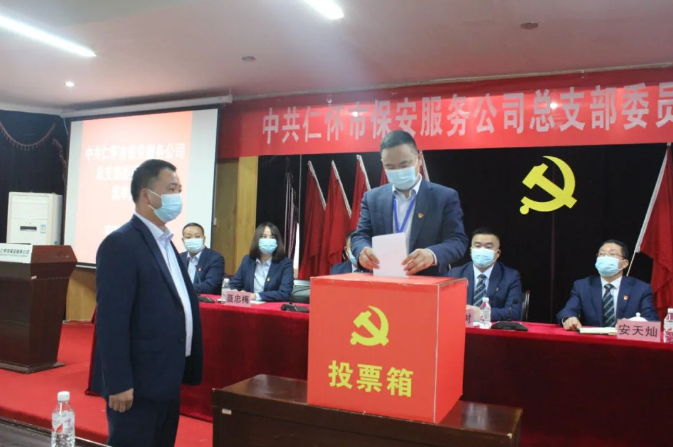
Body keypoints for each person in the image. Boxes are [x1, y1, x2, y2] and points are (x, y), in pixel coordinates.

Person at [91, 159, 203, 447]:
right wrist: (118, 383)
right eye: (171, 189)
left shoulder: (166, 242)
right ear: (146, 195)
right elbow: (111, 321)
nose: (177, 197)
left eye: (179, 190)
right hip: (137, 385)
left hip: (166, 378)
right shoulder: (121, 244)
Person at [351, 130, 467, 276]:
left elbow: (457, 241)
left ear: (419, 158)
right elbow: (360, 236)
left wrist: (432, 254)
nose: (398, 171)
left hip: (427, 282)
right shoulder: (372, 198)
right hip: (384, 280)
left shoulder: (444, 197)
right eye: (390, 167)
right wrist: (362, 251)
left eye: (404, 164)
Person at [557, 239, 659, 331]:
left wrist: (634, 324)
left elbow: (652, 320)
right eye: (601, 254)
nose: (605, 257)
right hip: (592, 342)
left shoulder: (641, 288)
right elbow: (568, 310)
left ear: (624, 263)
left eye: (612, 254)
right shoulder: (583, 286)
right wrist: (569, 318)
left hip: (626, 342)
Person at [448, 228, 523, 321]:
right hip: (460, 327)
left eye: (488, 247)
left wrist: (482, 314)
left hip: (492, 329)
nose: (482, 250)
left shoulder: (510, 276)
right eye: (478, 246)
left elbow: (514, 313)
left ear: (497, 253)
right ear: (471, 251)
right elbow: (445, 307)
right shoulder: (455, 274)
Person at [229, 222, 294, 301]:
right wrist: (235, 291)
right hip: (249, 306)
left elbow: (284, 293)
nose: (268, 240)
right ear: (257, 240)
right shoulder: (247, 260)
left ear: (277, 241)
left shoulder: (285, 264)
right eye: (264, 236)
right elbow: (234, 284)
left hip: (271, 307)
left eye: (272, 237)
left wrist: (255, 296)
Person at [180, 222, 225, 295]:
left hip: (203, 300)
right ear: (183, 240)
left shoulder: (215, 258)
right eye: (188, 237)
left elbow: (210, 285)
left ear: (204, 239)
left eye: (197, 236)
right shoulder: (179, 257)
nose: (193, 240)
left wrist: (184, 288)